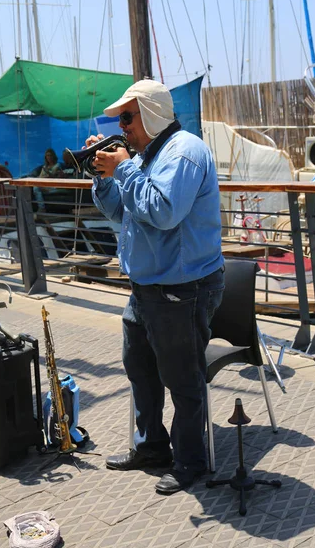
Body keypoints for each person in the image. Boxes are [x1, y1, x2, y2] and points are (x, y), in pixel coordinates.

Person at [88, 79, 225, 495]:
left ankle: (190, 462)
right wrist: (105, 176)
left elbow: (163, 212)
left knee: (182, 379)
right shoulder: (147, 156)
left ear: (149, 114)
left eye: (127, 118)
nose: (122, 127)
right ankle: (151, 447)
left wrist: (124, 167)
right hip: (147, 287)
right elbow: (120, 211)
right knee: (140, 370)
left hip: (181, 289)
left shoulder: (183, 152)